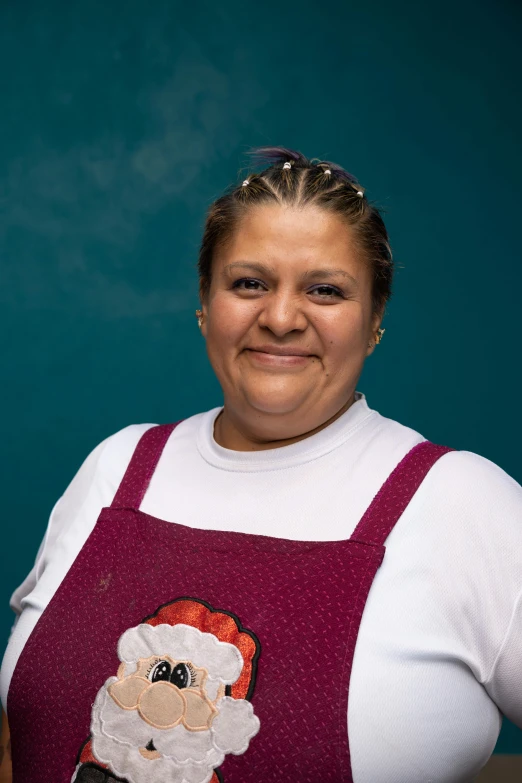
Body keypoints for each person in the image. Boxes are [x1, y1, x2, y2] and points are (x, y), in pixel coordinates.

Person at [1, 146, 521, 783]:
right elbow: (23, 735)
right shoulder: (117, 468)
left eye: (325, 291)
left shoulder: (462, 503)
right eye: (249, 283)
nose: (279, 318)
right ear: (205, 302)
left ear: (376, 319)